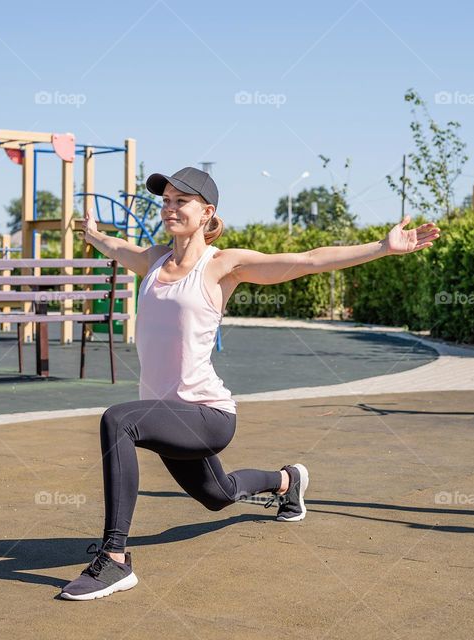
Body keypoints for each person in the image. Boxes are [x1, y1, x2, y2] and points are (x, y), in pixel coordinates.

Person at [59, 167, 440, 600]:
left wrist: (382, 248)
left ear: (207, 212)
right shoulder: (154, 260)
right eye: (165, 200)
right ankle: (287, 482)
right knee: (217, 495)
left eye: (181, 201)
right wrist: (92, 234)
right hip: (168, 417)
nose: (169, 208)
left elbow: (307, 260)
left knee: (118, 420)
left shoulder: (222, 265)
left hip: (207, 415)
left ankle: (114, 559)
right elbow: (116, 247)